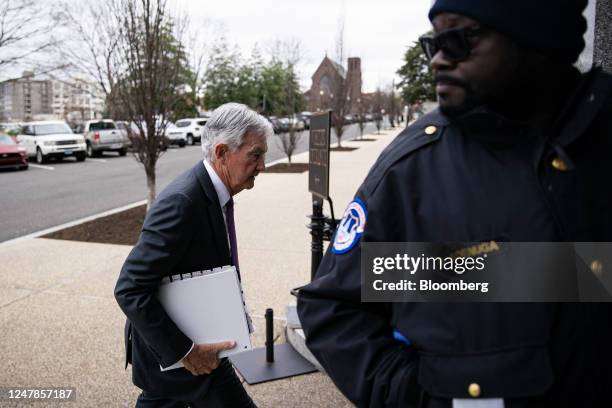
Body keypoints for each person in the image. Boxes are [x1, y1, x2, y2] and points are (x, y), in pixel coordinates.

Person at [298, 0, 612, 407]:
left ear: (537, 37)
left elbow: (588, 278)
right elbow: (335, 309)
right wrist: (421, 396)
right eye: (434, 45)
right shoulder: (415, 169)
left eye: (458, 40)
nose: (438, 61)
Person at [115, 103, 271, 407]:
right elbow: (129, 288)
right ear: (222, 152)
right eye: (256, 154)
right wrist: (186, 352)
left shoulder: (213, 193)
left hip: (195, 348)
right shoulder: (183, 203)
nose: (263, 165)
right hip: (179, 358)